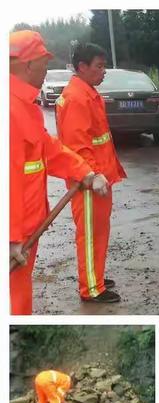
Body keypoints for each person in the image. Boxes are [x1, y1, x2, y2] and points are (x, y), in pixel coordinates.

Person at [9, 30, 105, 315]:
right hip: (16, 235)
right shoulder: (10, 110)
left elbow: (48, 149)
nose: (46, 69)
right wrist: (10, 237)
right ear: (28, 64)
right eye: (44, 62)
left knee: (19, 298)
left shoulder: (24, 106)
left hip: (26, 230)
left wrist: (85, 172)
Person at [56, 43, 127, 303]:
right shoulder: (77, 98)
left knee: (98, 232)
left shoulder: (86, 93)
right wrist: (92, 176)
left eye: (104, 65)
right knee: (90, 235)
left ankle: (95, 275)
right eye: (99, 66)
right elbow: (78, 147)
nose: (104, 71)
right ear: (82, 67)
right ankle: (91, 289)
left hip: (99, 178)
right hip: (88, 182)